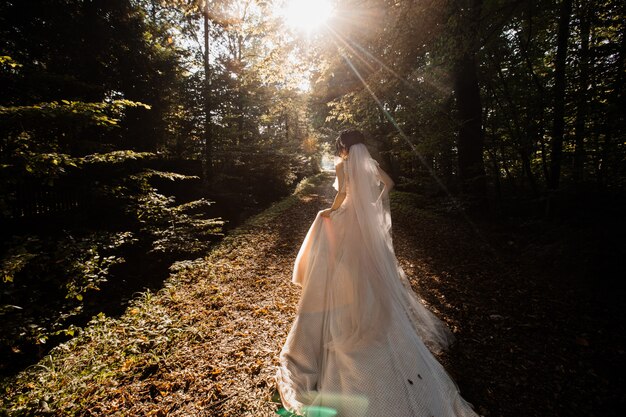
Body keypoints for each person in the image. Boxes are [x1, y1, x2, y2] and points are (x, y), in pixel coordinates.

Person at [275, 130, 480, 417]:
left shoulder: (342, 165)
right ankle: (370, 312)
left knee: (339, 265)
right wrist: (373, 206)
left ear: (343, 148)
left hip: (347, 220)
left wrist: (331, 213)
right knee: (369, 271)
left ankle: (340, 309)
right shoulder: (370, 163)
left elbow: (343, 193)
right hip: (363, 225)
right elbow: (390, 184)